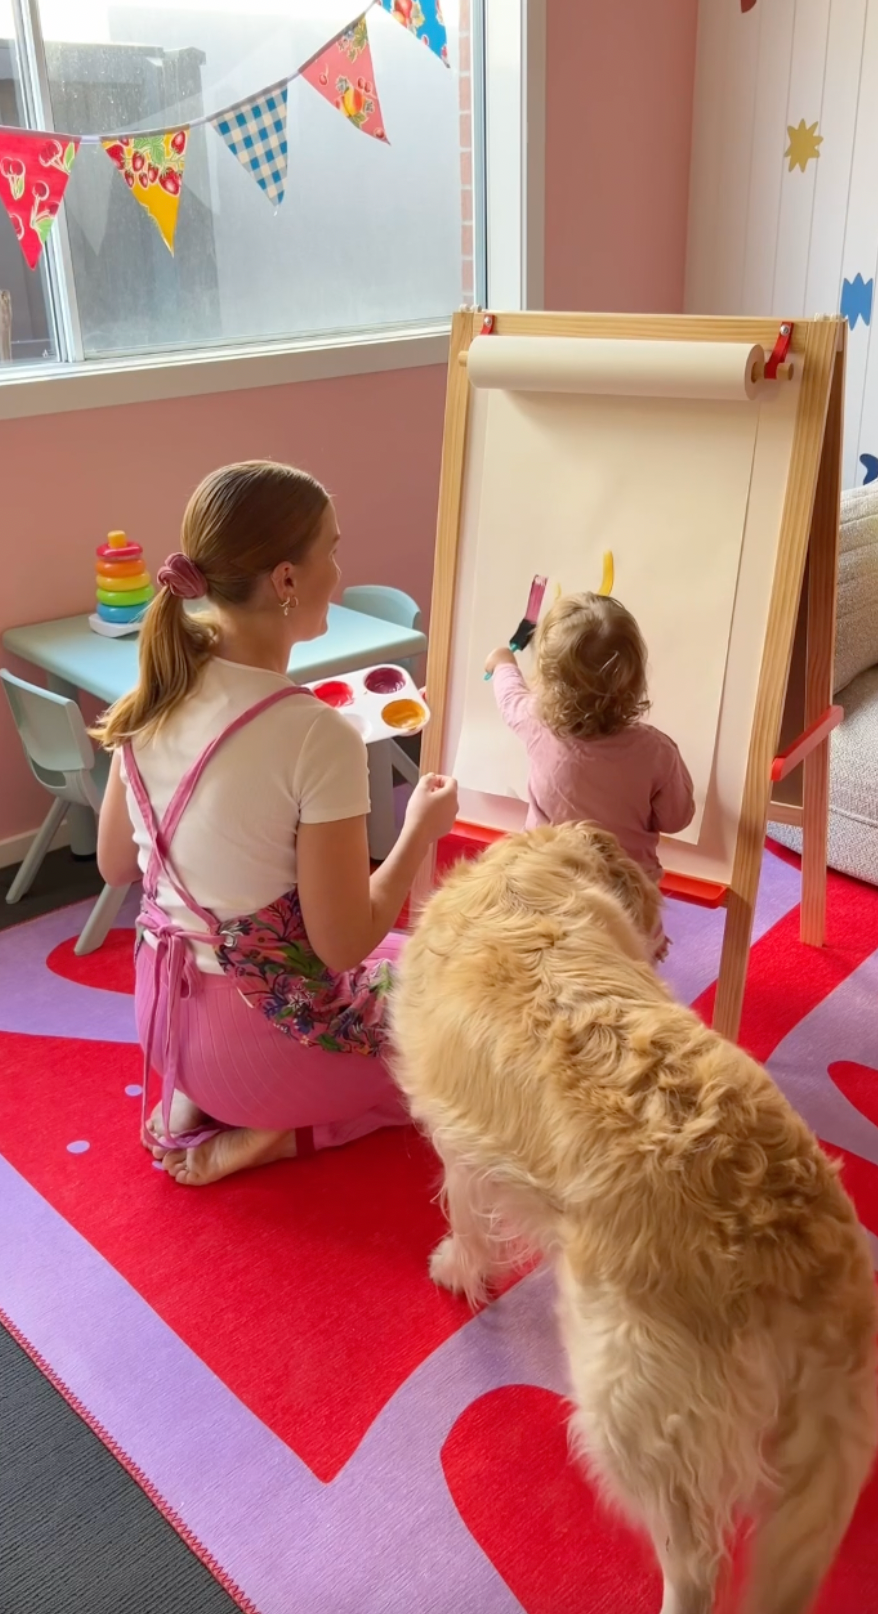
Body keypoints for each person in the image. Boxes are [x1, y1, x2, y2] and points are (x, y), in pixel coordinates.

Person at [95, 460, 457, 1187]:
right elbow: (343, 940)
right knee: (464, 1049)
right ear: (287, 579)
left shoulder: (154, 692)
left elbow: (114, 867)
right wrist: (420, 826)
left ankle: (202, 1103)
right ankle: (279, 1135)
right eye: (333, 549)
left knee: (404, 960)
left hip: (166, 1026)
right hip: (262, 1054)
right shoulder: (317, 734)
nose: (340, 571)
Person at [484, 591, 694, 957]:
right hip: (626, 904)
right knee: (625, 973)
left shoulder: (536, 722)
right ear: (635, 679)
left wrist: (502, 661)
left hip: (545, 890)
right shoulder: (657, 752)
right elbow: (677, 818)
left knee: (551, 967)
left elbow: (510, 697)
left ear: (548, 679)